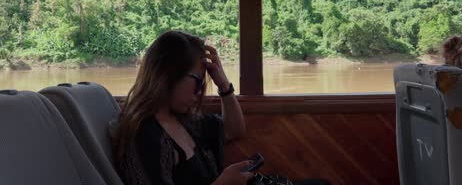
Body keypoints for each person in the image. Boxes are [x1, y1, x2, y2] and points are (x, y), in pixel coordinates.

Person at [111, 30, 329, 185]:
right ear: (167, 76)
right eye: (197, 81)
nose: (199, 91)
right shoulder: (143, 135)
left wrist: (223, 85)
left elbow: (234, 130)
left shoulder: (183, 119)